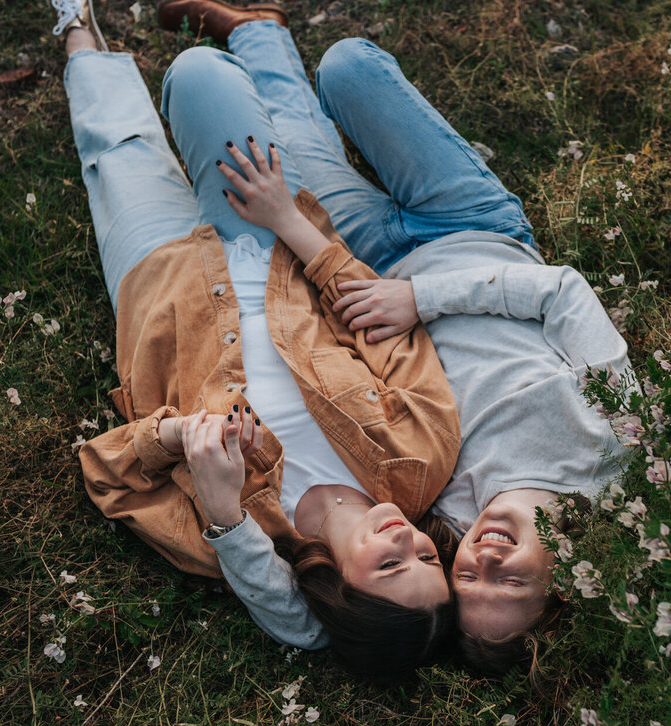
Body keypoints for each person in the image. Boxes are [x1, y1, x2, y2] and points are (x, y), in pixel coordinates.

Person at [151, 1, 633, 680]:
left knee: (287, 149)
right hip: (471, 228)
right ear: (561, 587)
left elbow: (311, 618)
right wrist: (419, 299)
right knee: (350, 66)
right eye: (512, 583)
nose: (485, 563)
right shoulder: (616, 450)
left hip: (361, 265)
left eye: (471, 584)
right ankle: (266, 42)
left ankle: (258, 28)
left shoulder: (434, 516)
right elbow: (562, 294)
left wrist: (232, 525)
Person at [52, 0, 463, 681]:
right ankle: (244, 38)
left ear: (339, 588)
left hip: (157, 287)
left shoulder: (231, 532)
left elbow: (105, 470)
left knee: (116, 145)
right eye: (425, 557)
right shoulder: (421, 458)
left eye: (391, 566)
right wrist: (289, 221)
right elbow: (381, 325)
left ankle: (74, 27)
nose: (408, 541)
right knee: (198, 73)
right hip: (265, 237)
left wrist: (182, 440)